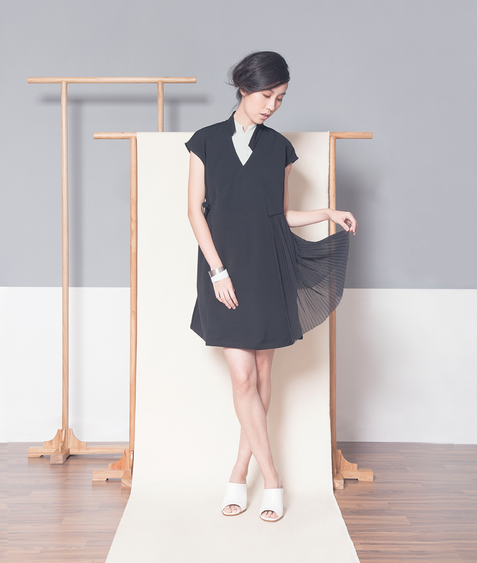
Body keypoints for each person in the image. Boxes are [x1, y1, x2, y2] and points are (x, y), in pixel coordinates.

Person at [185, 51, 357, 523]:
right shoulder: (205, 141)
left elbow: (279, 216)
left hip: (267, 269)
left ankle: (238, 474)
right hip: (224, 272)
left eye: (280, 98)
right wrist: (217, 271)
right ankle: (274, 480)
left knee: (260, 381)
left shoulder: (279, 148)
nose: (272, 106)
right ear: (243, 88)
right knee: (242, 378)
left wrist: (326, 212)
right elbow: (194, 211)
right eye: (266, 95)